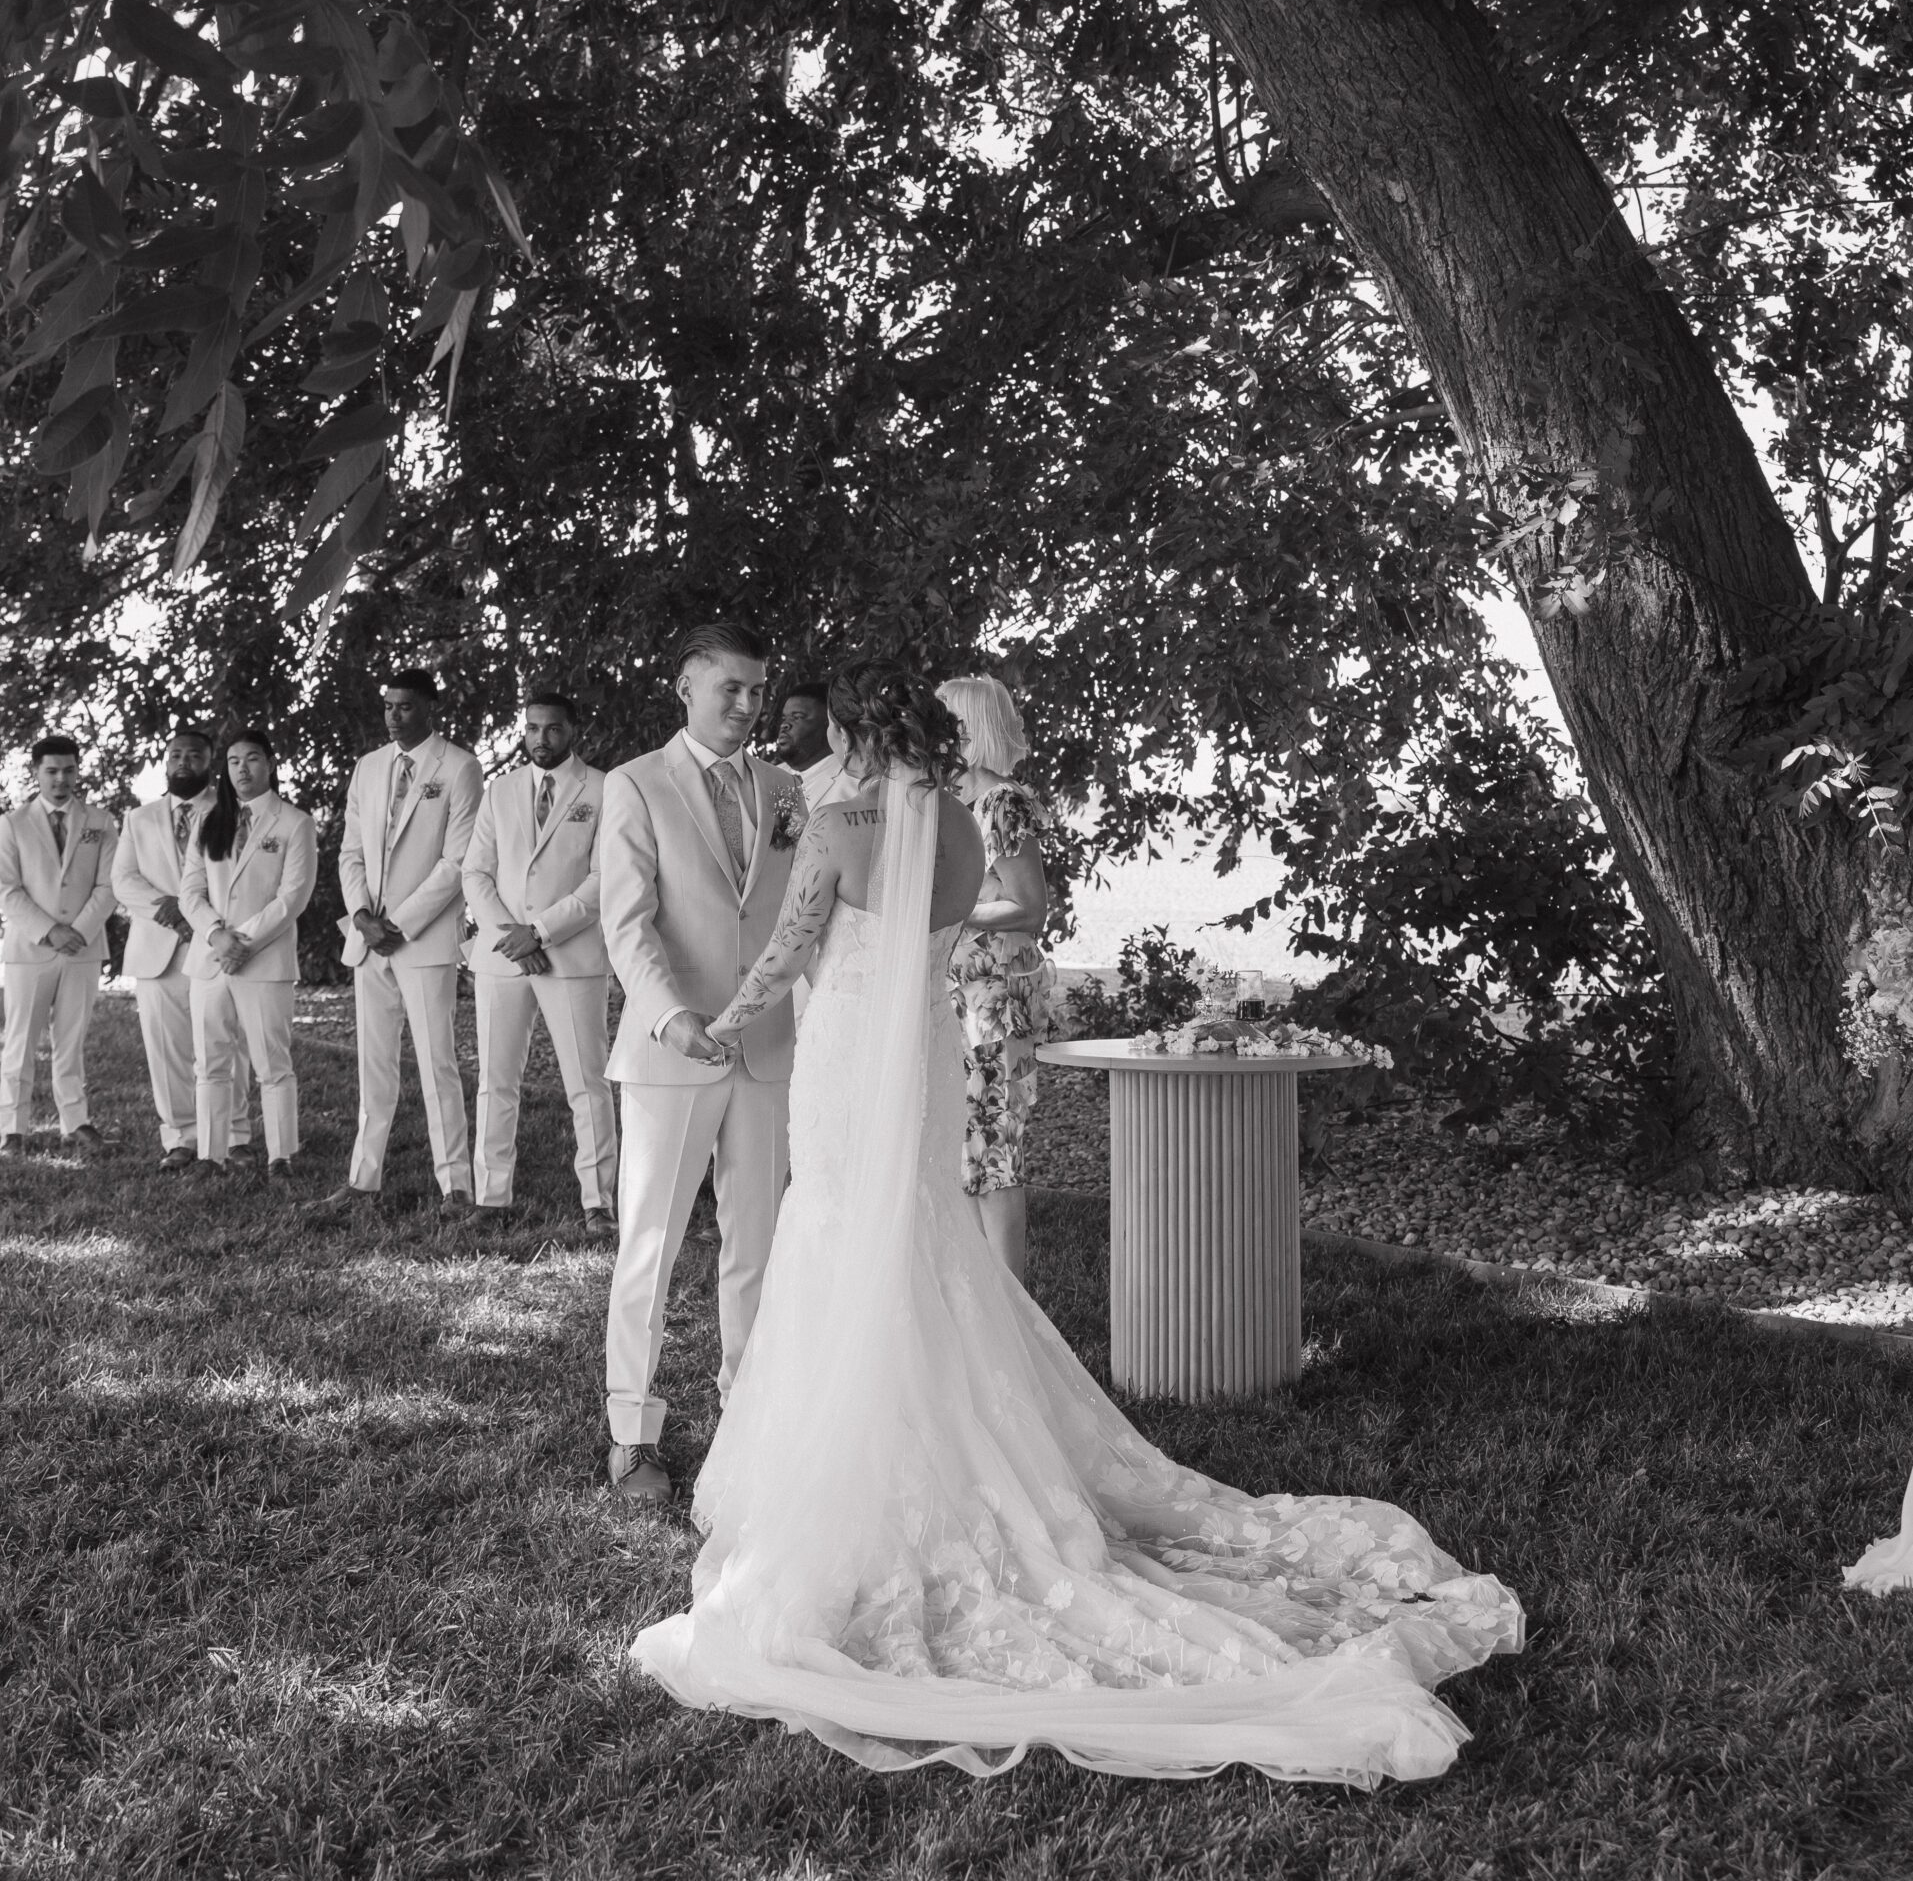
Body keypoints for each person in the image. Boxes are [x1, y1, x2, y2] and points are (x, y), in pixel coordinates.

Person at [630, 663, 1524, 1785]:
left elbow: (787, 952)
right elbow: (960, 934)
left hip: (849, 1062)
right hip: (924, 1063)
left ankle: (849, 1486)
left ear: (858, 733)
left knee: (835, 1234)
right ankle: (942, 1446)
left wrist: (717, 1025)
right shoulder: (959, 827)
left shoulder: (840, 821)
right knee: (916, 1241)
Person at [600, 621, 800, 1502]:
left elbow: (800, 913)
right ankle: (632, 1434)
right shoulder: (634, 784)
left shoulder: (789, 790)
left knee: (755, 1247)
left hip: (766, 1052)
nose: (750, 706)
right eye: (732, 689)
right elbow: (625, 919)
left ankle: (747, 1423)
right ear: (685, 686)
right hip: (671, 1050)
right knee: (651, 1245)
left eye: (760, 690)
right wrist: (669, 1015)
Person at [315, 668, 483, 1223]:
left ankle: (456, 1186)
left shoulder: (459, 767)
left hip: (424, 940)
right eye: (388, 706)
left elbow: (456, 862)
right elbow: (349, 851)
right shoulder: (367, 768)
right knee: (375, 1065)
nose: (394, 716)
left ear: (430, 707)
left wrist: (401, 923)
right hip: (368, 940)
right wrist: (362, 915)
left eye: (406, 707)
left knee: (438, 1064)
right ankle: (363, 1180)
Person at [463, 689, 616, 1236]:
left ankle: (598, 1202)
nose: (541, 739)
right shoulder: (499, 791)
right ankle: (491, 1194)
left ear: (573, 730)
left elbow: (605, 879)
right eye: (532, 728)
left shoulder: (602, 789)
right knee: (495, 1079)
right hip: (504, 957)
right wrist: (512, 936)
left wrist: (542, 933)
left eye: (552, 729)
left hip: (571, 956)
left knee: (586, 1082)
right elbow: (476, 873)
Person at [937, 674, 1056, 1283]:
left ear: (966, 726)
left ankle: (1013, 1306)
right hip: (957, 996)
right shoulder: (949, 799)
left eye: (941, 719)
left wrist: (946, 913)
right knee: (964, 1150)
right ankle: (982, 1301)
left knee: (994, 1149)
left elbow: (1030, 906)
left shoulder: (1002, 802)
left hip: (994, 1000)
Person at [112, 724, 253, 1168]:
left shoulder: (231, 812)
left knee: (227, 1043)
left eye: (193, 755)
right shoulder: (140, 818)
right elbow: (123, 880)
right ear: (165, 761)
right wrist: (171, 910)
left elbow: (240, 879)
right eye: (175, 755)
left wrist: (203, 919)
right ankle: (181, 1139)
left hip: (213, 945)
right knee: (166, 1047)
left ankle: (235, 1136)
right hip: (158, 947)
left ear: (210, 762)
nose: (183, 763)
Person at [180, 729, 318, 1178]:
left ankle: (282, 1156)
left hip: (265, 960)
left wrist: (244, 942)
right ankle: (211, 1155)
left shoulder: (295, 822)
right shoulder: (209, 819)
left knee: (272, 1062)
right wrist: (218, 935)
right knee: (211, 1062)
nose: (243, 768)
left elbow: (291, 897)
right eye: (235, 761)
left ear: (271, 764)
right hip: (211, 958)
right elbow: (191, 893)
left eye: (253, 759)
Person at [0, 736, 117, 1158]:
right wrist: (49, 930)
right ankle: (12, 1130)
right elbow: (6, 889)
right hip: (30, 950)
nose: (61, 779)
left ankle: (75, 1123)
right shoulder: (14, 822)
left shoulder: (101, 821)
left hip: (83, 948)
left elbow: (109, 884)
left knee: (71, 1039)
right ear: (36, 772)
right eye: (51, 771)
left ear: (78, 771)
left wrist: (77, 929)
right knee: (20, 1040)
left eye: (68, 770)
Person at [773, 680, 843, 813]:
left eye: (797, 717)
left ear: (829, 724)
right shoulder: (767, 776)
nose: (785, 725)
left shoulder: (852, 781)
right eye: (784, 718)